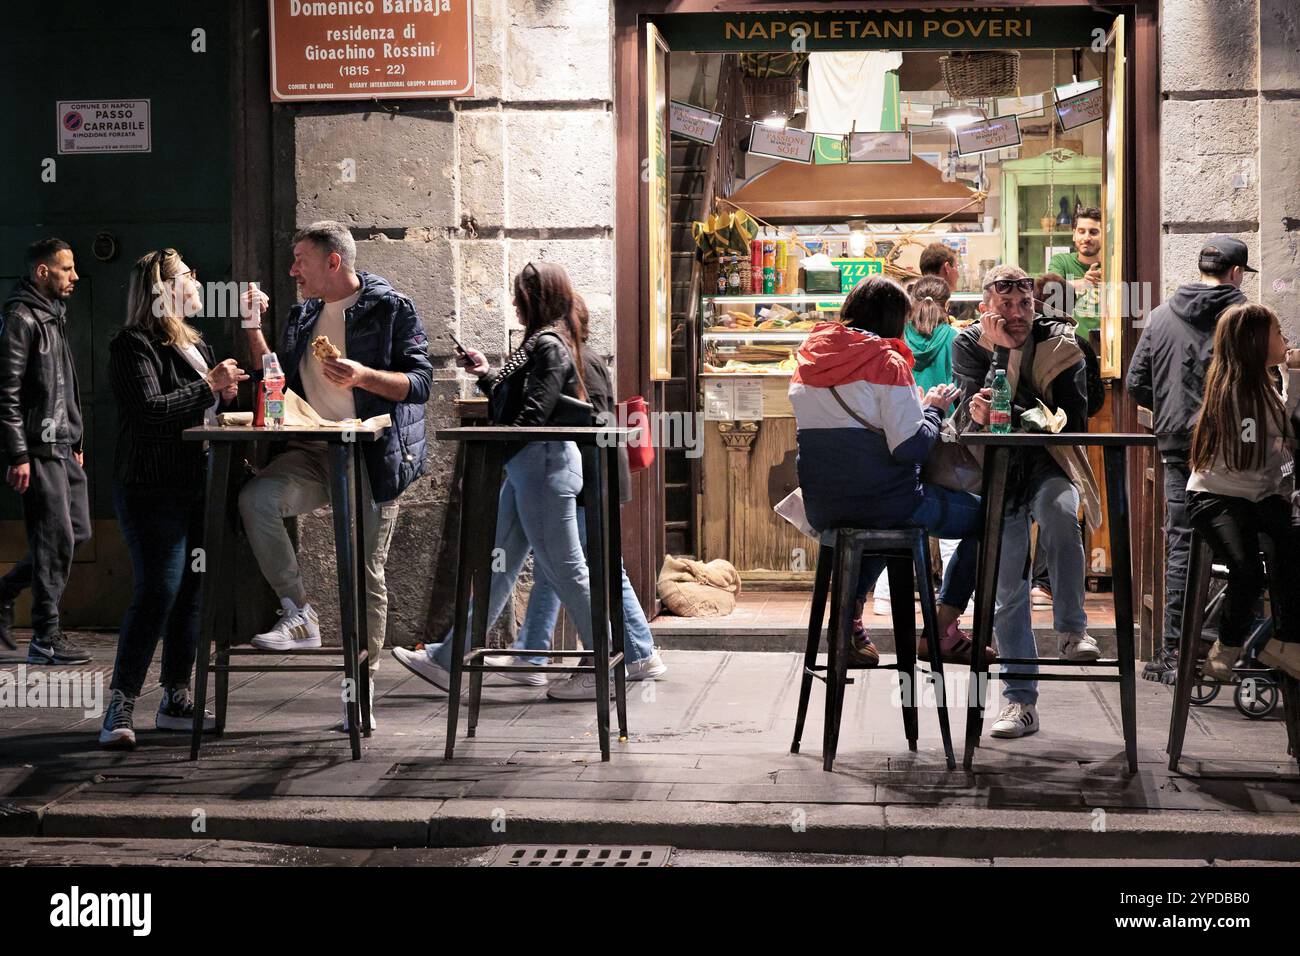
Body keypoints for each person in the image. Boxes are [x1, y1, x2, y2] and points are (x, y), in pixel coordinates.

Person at [393, 262, 635, 696]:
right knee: (498, 567)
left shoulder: (548, 345)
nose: (513, 304)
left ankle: (606, 664)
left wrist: (493, 452)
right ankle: (449, 659)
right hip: (532, 469)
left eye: (518, 296)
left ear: (534, 299)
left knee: (566, 570)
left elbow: (532, 416)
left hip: (541, 468)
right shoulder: (547, 343)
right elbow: (522, 403)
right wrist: (487, 375)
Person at [239, 221, 432, 731]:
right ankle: (299, 611)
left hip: (370, 454)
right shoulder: (304, 314)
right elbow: (271, 377)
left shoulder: (392, 308)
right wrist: (252, 327)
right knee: (257, 500)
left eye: (300, 259)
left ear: (333, 261)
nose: (292, 270)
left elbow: (421, 383)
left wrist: (363, 375)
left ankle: (360, 691)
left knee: (363, 572)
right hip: (313, 451)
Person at [789, 274, 982, 665]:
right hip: (889, 504)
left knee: (880, 523)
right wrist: (933, 408)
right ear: (895, 319)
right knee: (996, 517)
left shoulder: (807, 359)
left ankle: (849, 621)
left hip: (825, 507)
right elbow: (910, 447)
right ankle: (944, 627)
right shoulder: (886, 362)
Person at [99, 249, 249, 749]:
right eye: (187, 274)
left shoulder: (195, 343)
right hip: (150, 488)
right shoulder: (132, 345)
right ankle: (120, 704)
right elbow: (149, 412)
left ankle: (176, 697)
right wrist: (210, 386)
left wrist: (222, 397)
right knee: (159, 589)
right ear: (162, 288)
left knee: (192, 591)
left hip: (197, 485)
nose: (197, 279)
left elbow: (196, 405)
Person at [484, 293, 667, 699]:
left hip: (587, 480)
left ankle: (632, 654)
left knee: (583, 568)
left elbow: (593, 421)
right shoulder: (580, 357)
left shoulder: (579, 360)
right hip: (587, 479)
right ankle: (534, 655)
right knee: (567, 567)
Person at [952, 264, 1102, 739]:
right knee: (1006, 588)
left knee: (1060, 515)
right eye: (1005, 306)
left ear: (1036, 303)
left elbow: (1070, 420)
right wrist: (998, 358)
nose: (1016, 314)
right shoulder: (967, 343)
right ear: (985, 308)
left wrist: (1009, 408)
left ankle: (1072, 629)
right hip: (995, 470)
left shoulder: (1061, 342)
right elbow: (973, 416)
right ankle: (1020, 702)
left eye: (1025, 304)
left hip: (1049, 461)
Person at [1126, 235, 1251, 684]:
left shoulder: (1160, 315)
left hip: (1178, 444)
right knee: (1246, 546)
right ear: (1236, 273)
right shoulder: (1243, 318)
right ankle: (1227, 646)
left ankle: (1174, 654)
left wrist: (1175, 411)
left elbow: (1136, 383)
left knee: (1182, 541)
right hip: (1235, 448)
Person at [1184, 303, 1300, 683]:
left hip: (1255, 496)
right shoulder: (1237, 393)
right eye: (1277, 331)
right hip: (1218, 497)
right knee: (1247, 570)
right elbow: (1273, 446)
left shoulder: (1264, 386)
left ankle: (1286, 640)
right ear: (1253, 342)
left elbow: (1281, 439)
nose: (1285, 338)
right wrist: (1284, 478)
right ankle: (1227, 646)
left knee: (1291, 543)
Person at [0, 239, 91, 664]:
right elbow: (7, 393)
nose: (74, 277)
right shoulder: (21, 317)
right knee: (54, 539)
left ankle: (4, 592)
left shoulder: (52, 314)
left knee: (76, 533)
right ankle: (45, 637)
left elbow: (63, 385)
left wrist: (76, 440)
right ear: (42, 272)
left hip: (62, 444)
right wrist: (18, 454)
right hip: (38, 447)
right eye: (66, 269)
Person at [1028, 272, 1105, 607]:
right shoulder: (1076, 343)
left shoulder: (1019, 338)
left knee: (1019, 514)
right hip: (1064, 440)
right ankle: (1044, 584)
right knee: (1059, 511)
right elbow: (1096, 398)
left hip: (1022, 438)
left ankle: (1023, 584)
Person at [1046, 206, 1103, 339]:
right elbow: (1050, 290)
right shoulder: (1061, 261)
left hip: (1106, 347)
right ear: (1074, 234)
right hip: (1070, 346)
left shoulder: (1113, 266)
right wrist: (1083, 282)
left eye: (1093, 232)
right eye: (1081, 231)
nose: (1086, 237)